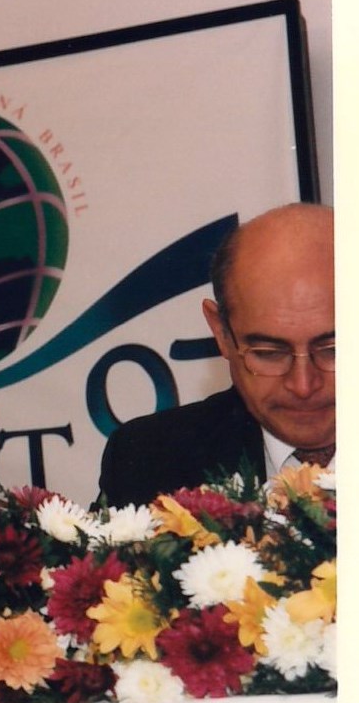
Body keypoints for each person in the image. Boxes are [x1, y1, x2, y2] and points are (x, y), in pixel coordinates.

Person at [98, 202, 334, 507]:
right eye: (269, 354)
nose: (303, 386)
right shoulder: (149, 460)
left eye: (334, 351)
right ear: (221, 332)